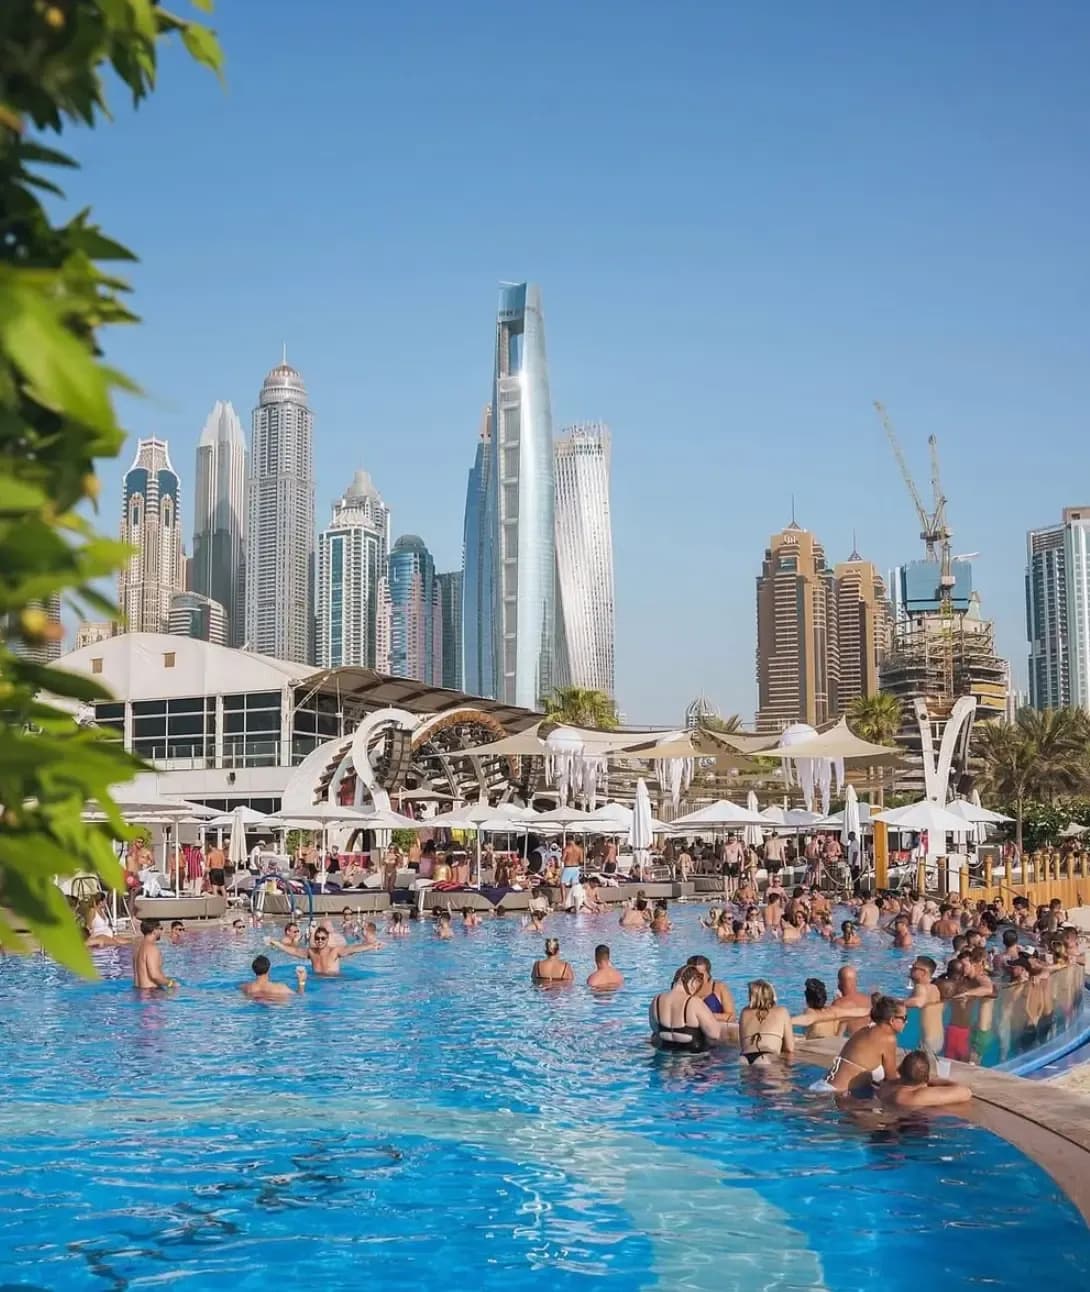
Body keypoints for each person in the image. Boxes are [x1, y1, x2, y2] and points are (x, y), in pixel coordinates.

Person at [811, 996, 905, 1095]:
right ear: (892, 1020)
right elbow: (891, 1078)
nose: (906, 1022)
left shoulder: (866, 1030)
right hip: (833, 1095)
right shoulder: (888, 1038)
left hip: (822, 1086)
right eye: (904, 1018)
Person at [649, 964, 730, 1052]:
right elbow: (715, 1034)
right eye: (697, 986)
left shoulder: (656, 1000)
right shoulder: (694, 1002)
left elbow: (654, 1028)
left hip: (665, 1054)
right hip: (694, 1059)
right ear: (693, 982)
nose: (695, 991)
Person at [879, 1050, 972, 1109]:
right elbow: (966, 1093)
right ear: (926, 1078)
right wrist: (932, 1080)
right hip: (909, 1133)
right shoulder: (916, 1096)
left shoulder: (886, 1087)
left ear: (900, 1069)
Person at [265, 926, 374, 975]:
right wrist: (277, 943)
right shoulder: (312, 952)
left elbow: (352, 949)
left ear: (327, 939)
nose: (320, 941)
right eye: (317, 938)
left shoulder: (334, 951)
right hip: (316, 981)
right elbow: (294, 951)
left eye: (323, 938)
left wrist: (370, 945)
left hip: (334, 981)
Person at [791, 977, 869, 1039]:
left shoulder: (810, 1012)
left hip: (818, 1051)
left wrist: (786, 1020)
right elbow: (856, 1012)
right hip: (833, 1045)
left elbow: (807, 1019)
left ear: (808, 1000)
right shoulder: (834, 1011)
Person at [738, 979, 794, 1064]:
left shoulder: (744, 1012)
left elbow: (743, 1045)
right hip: (767, 1057)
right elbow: (789, 1048)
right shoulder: (782, 1011)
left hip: (744, 1058)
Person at [903, 956, 945, 1055]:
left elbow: (919, 1002)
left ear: (923, 972)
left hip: (928, 1040)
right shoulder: (935, 988)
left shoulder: (920, 987)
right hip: (939, 1038)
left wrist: (896, 1003)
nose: (911, 969)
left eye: (914, 968)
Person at [132, 919, 177, 990]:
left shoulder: (138, 948)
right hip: (151, 994)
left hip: (138, 992)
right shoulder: (152, 948)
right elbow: (155, 975)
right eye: (160, 929)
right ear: (154, 930)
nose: (161, 932)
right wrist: (171, 983)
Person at [241, 954, 307, 1001]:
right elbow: (299, 996)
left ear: (253, 970)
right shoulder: (280, 988)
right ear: (269, 969)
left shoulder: (246, 987)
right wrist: (301, 981)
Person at [831, 965, 872, 1035]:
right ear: (856, 981)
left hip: (850, 1042)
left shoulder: (837, 1004)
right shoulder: (870, 1000)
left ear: (839, 983)